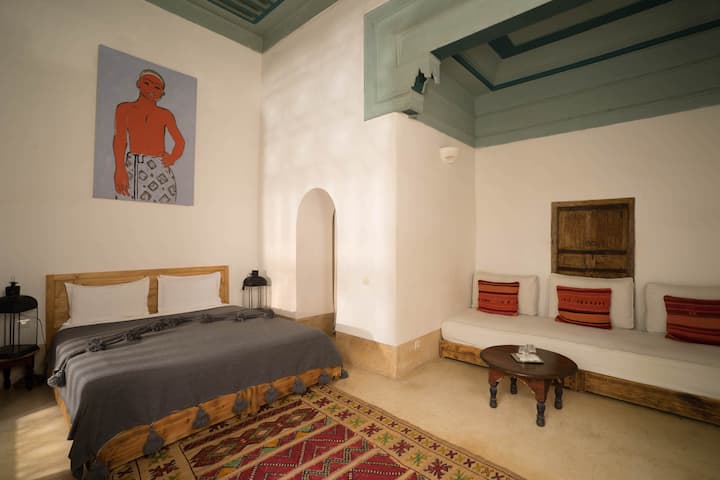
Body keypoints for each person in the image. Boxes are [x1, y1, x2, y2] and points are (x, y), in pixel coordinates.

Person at [113, 69, 185, 203]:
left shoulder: (165, 114)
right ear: (138, 83)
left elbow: (180, 141)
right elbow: (120, 139)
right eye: (147, 83)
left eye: (157, 88)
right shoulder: (124, 109)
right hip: (133, 166)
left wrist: (172, 157)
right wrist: (120, 168)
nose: (151, 89)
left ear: (162, 93)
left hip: (159, 169)